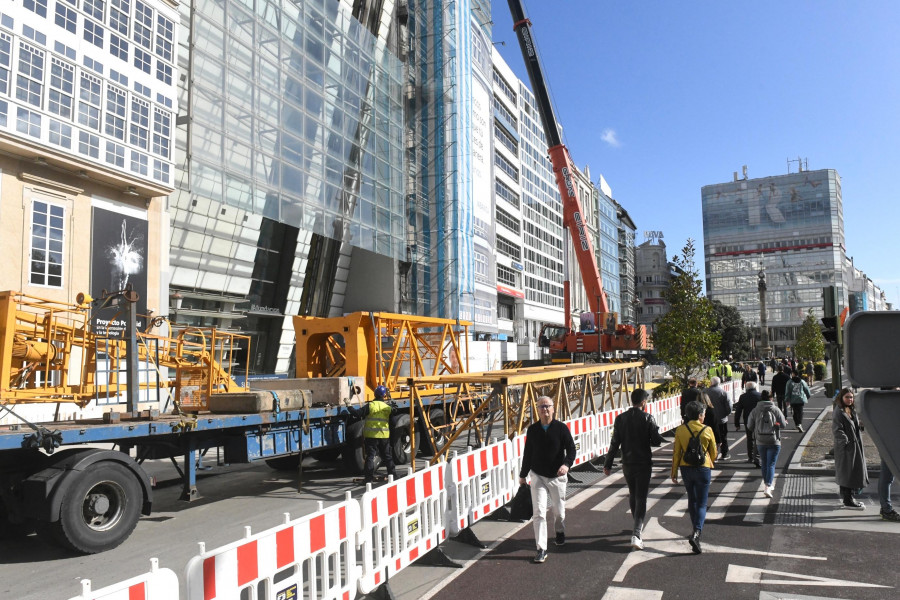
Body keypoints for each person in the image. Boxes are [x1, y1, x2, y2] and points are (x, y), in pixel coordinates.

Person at [604, 388, 664, 551]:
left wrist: (607, 464)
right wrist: (656, 430)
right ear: (644, 402)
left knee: (633, 493)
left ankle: (636, 525)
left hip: (627, 462)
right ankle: (637, 534)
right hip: (643, 462)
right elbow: (657, 441)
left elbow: (615, 443)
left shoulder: (620, 418)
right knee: (642, 497)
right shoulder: (648, 418)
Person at [519, 396, 576, 563]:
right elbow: (527, 454)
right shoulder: (533, 430)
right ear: (537, 410)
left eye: (547, 406)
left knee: (558, 511)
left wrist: (566, 464)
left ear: (553, 409)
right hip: (538, 476)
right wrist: (523, 475)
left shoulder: (561, 428)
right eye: (541, 407)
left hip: (557, 476)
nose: (544, 409)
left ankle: (559, 531)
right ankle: (541, 548)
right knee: (539, 513)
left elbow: (571, 449)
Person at [671, 400, 717, 554]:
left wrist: (674, 472)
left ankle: (694, 529)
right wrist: (709, 459)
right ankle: (697, 532)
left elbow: (677, 452)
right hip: (703, 468)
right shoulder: (707, 429)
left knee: (692, 499)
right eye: (703, 414)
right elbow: (714, 452)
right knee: (702, 503)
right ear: (699, 415)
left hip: (686, 468)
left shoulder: (680, 430)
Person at [344, 385, 396, 484]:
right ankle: (393, 476)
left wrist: (349, 406)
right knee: (387, 456)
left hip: (371, 436)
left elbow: (356, 414)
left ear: (375, 394)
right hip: (383, 436)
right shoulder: (387, 408)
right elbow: (393, 423)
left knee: (370, 457)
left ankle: (368, 479)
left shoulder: (370, 405)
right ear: (384, 396)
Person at [746, 390, 787, 498]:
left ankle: (766, 483)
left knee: (764, 463)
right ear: (771, 398)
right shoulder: (775, 409)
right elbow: (783, 424)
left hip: (760, 440)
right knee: (771, 464)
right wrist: (777, 425)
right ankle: (768, 486)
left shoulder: (755, 410)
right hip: (774, 440)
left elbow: (749, 426)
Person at [832, 388, 868, 509]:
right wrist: (845, 443)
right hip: (847, 448)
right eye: (847, 397)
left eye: (851, 397)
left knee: (850, 472)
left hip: (854, 446)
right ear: (842, 398)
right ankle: (848, 499)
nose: (850, 399)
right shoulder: (839, 411)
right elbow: (838, 430)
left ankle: (849, 498)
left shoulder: (850, 410)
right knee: (847, 473)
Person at [735, 381, 762, 466]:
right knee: (759, 438)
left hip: (748, 420)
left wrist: (737, 423)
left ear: (746, 388)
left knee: (750, 439)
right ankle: (758, 455)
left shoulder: (743, 397)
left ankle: (750, 457)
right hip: (759, 419)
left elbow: (738, 410)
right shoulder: (760, 395)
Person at [706, 376, 732, 460]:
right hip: (721, 418)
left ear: (711, 383)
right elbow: (729, 406)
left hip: (708, 418)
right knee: (723, 436)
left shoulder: (705, 392)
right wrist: (726, 414)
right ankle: (724, 453)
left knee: (709, 436)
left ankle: (710, 453)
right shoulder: (723, 392)